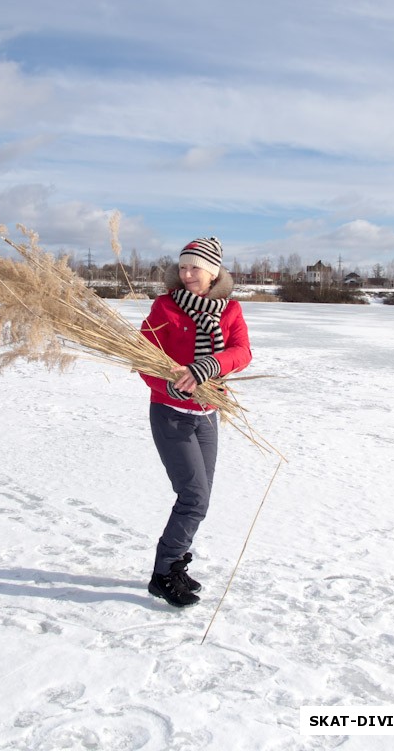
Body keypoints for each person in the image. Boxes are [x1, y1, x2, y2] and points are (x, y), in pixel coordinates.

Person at [139, 237, 252, 608]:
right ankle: (163, 573)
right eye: (183, 267)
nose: (187, 275)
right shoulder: (164, 307)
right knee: (193, 496)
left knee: (200, 499)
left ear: (214, 272)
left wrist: (209, 366)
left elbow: (241, 352)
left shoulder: (230, 310)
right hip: (171, 413)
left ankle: (174, 562)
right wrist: (172, 383)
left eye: (195, 268)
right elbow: (142, 358)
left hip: (207, 415)